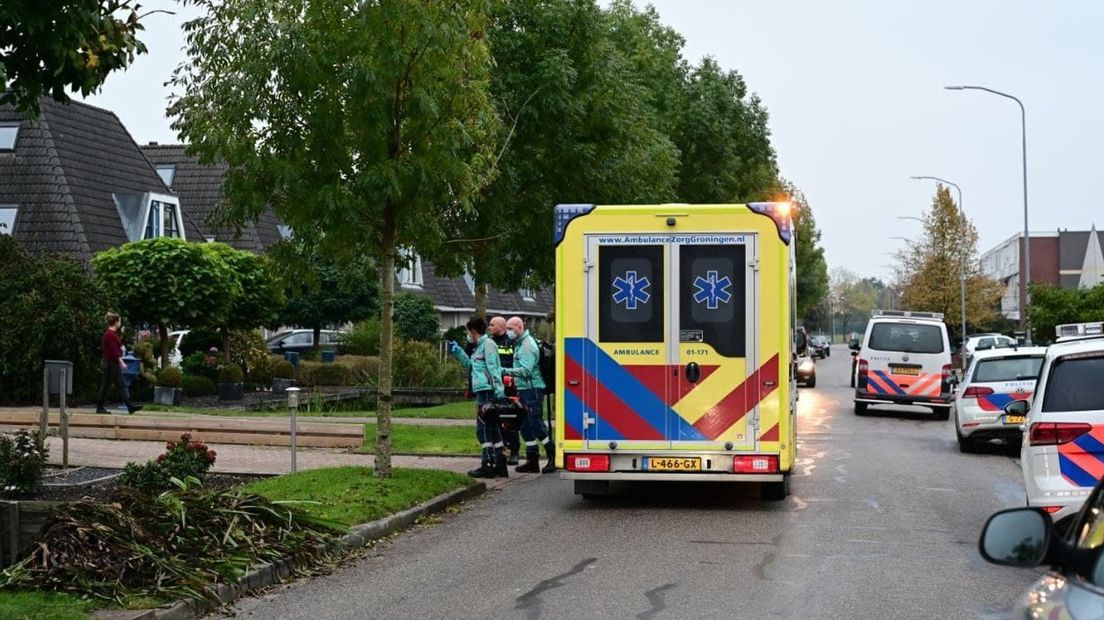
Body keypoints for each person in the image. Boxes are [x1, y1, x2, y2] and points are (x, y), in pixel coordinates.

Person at [449, 317, 508, 478]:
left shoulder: (487, 345)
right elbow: (473, 366)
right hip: (485, 390)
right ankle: (500, 464)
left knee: (482, 429)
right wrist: (459, 353)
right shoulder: (480, 346)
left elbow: (493, 369)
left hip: (487, 392)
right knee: (493, 427)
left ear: (474, 332)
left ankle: (487, 464)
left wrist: (499, 391)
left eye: (469, 332)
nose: (468, 335)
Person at [502, 316, 555, 473]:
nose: (508, 332)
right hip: (525, 389)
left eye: (511, 329)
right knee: (525, 426)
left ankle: (552, 455)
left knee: (536, 424)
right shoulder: (519, 343)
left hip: (532, 389)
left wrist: (504, 371)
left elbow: (526, 370)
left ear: (519, 327)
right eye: (507, 329)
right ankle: (532, 460)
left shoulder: (526, 345)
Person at [488, 315, 520, 464]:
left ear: (500, 327)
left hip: (509, 386)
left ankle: (515, 451)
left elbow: (517, 362)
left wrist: (510, 377)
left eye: (492, 325)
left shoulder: (512, 342)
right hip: (494, 385)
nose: (489, 327)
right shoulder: (489, 343)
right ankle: (501, 450)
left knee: (510, 419)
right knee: (495, 418)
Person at [96, 312, 141, 414]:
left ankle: (130, 406)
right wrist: (121, 362)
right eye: (119, 321)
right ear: (116, 322)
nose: (120, 323)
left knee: (121, 384)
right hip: (110, 363)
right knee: (106, 385)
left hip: (112, 363)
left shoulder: (112, 334)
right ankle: (99, 407)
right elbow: (114, 351)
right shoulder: (110, 335)